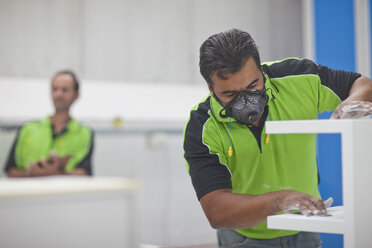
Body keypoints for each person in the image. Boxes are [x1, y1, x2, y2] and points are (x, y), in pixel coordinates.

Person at [183, 29, 372, 247]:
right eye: (230, 95)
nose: (246, 101)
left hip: (304, 227)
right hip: (244, 238)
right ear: (211, 88)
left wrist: (351, 103)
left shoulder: (298, 79)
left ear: (261, 70)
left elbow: (362, 84)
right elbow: (217, 211)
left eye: (253, 86)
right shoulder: (202, 127)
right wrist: (280, 200)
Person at [4, 70, 94, 177]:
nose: (58, 94)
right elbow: (10, 171)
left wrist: (56, 174)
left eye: (65, 90)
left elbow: (84, 173)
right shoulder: (26, 129)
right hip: (28, 192)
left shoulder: (85, 133)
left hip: (65, 193)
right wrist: (31, 173)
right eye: (55, 89)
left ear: (76, 95)